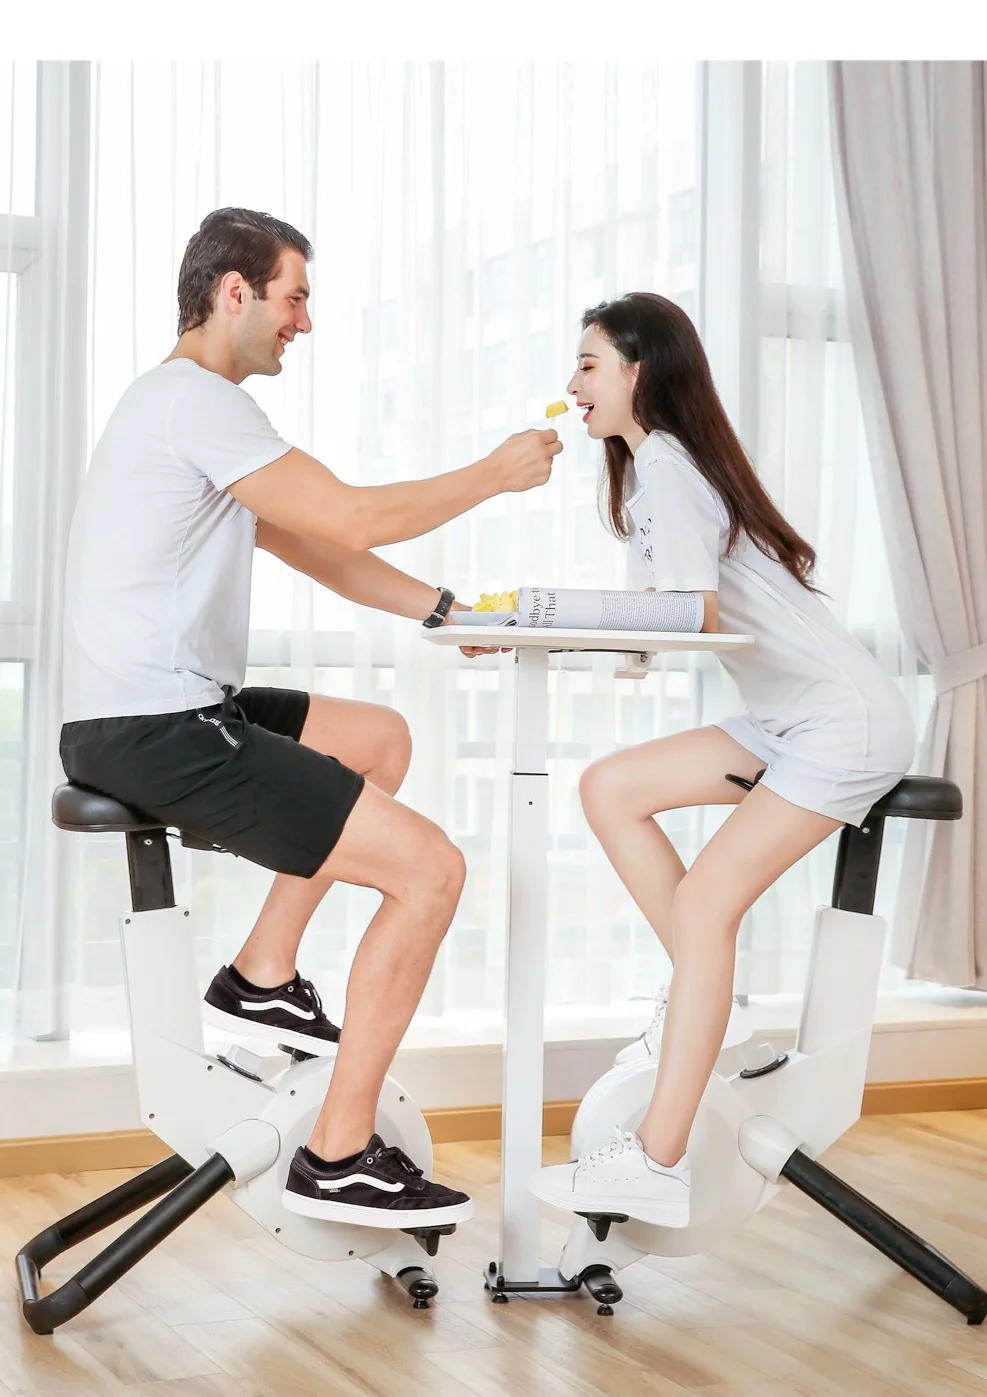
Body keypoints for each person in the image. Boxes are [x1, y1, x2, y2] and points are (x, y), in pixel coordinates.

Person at [59, 207, 562, 1230]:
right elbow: (350, 514)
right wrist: (494, 475)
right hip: (155, 728)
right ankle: (338, 1152)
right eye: (294, 296)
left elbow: (318, 546)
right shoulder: (196, 401)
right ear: (234, 292)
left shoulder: (177, 410)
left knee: (377, 740)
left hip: (160, 710)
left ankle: (262, 974)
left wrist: (439, 607)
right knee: (431, 871)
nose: (306, 321)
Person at [529, 292, 914, 1228]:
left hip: (840, 722)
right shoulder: (643, 476)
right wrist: (518, 635)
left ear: (635, 372)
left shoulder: (666, 467)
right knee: (610, 787)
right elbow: (645, 641)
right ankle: (714, 1002)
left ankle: (654, 1163)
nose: (569, 384)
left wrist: (536, 614)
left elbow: (691, 613)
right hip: (787, 717)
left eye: (585, 364)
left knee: (705, 901)